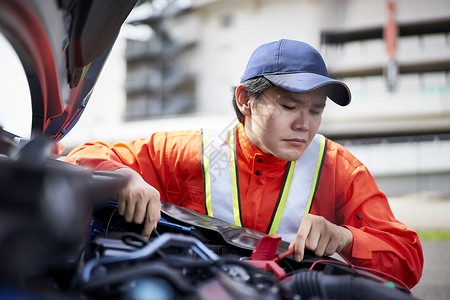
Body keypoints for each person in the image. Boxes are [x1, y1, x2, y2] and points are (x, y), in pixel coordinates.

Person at [64, 39, 423, 288]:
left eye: (316, 110)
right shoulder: (194, 151)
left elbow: (408, 260)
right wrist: (122, 176)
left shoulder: (339, 168)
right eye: (288, 106)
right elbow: (82, 157)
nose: (305, 124)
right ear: (244, 100)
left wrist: (345, 237)